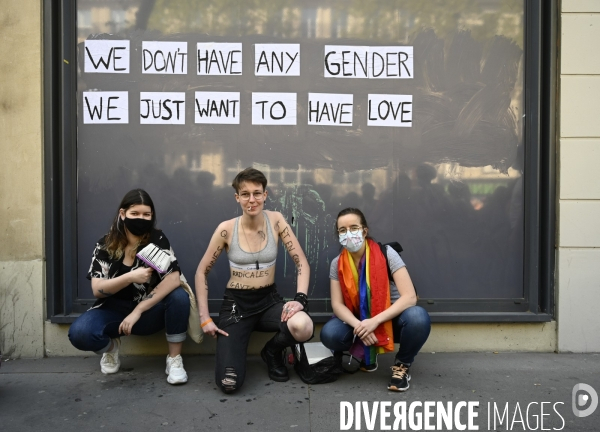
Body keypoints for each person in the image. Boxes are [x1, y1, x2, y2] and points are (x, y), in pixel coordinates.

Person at [195, 168, 314, 393]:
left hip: (268, 300)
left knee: (304, 326)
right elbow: (201, 272)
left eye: (257, 193)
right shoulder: (226, 229)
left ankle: (271, 352)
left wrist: (300, 299)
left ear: (265, 195)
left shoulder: (276, 220)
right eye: (246, 194)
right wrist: (204, 318)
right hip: (236, 306)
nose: (252, 200)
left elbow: (302, 264)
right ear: (237, 197)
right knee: (228, 384)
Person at [68, 189, 190, 384]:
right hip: (113, 312)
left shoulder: (156, 240)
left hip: (147, 313)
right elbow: (97, 288)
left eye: (146, 214)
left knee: (179, 296)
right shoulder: (106, 245)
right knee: (80, 333)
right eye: (135, 214)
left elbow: (173, 279)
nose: (141, 219)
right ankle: (111, 349)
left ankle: (174, 359)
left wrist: (138, 310)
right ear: (122, 214)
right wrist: (130, 277)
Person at [320, 208, 431, 392]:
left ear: (364, 231)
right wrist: (360, 326)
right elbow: (337, 305)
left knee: (418, 318)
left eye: (354, 227)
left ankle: (402, 365)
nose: (348, 233)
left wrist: (375, 321)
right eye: (342, 230)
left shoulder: (386, 253)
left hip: (390, 318)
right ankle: (366, 353)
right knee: (330, 334)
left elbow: (410, 297)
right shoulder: (337, 263)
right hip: (359, 320)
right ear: (338, 234)